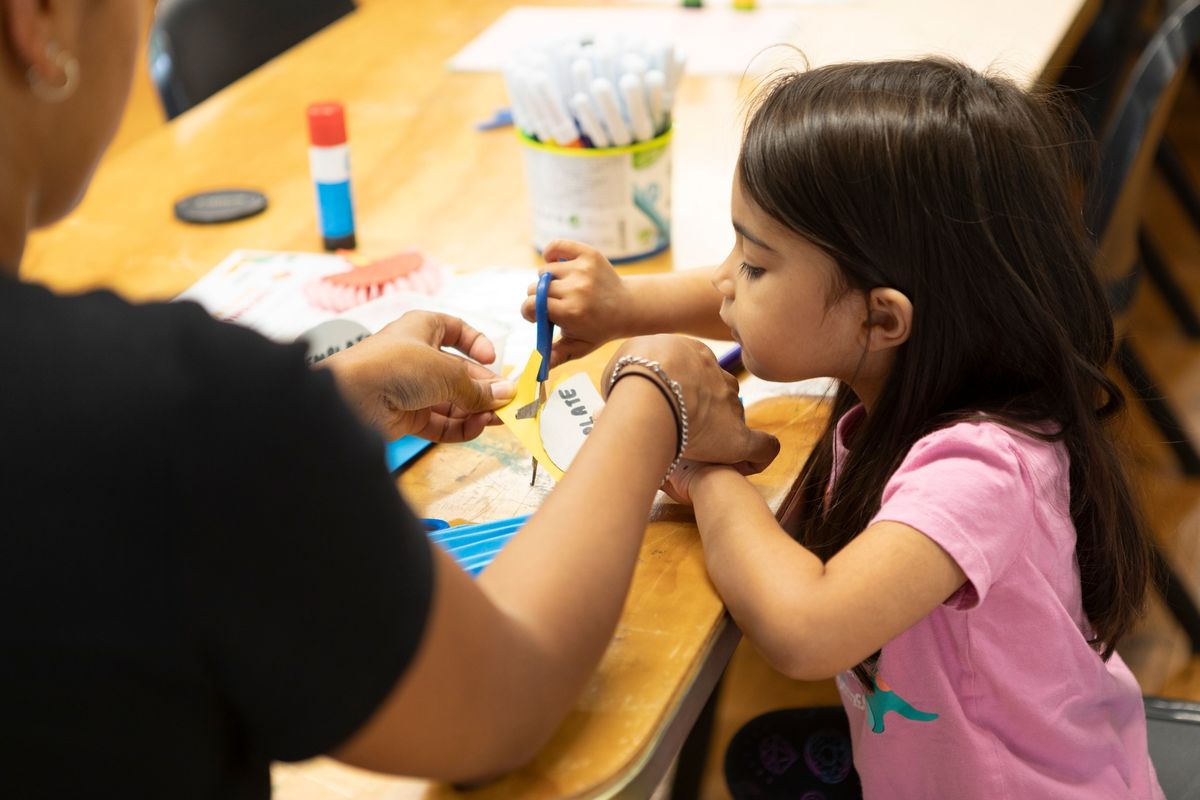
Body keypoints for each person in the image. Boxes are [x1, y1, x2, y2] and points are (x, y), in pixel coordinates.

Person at [0, 1, 779, 797]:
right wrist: (653, 401)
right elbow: (493, 700)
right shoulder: (174, 403)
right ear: (41, 21)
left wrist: (316, 408)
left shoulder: (152, 412)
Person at [526, 58, 1165, 798]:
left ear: (881, 318)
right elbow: (775, 296)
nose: (726, 280)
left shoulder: (980, 470)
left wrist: (705, 472)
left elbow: (807, 628)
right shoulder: (927, 364)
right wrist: (627, 307)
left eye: (755, 264)